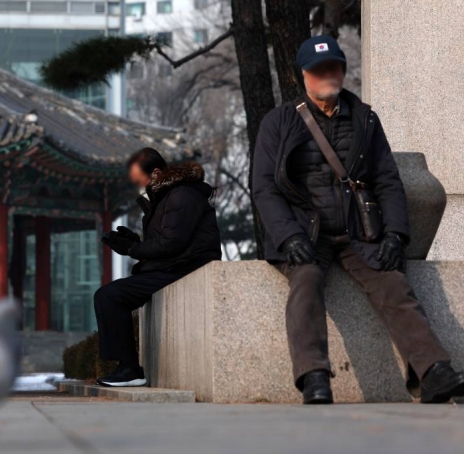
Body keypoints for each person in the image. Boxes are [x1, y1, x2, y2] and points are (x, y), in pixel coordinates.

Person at [252, 35, 464, 404]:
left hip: (358, 232)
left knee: (394, 285)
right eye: (319, 70)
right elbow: (264, 187)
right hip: (305, 232)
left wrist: (396, 235)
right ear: (303, 74)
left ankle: (433, 372)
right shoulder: (279, 121)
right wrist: (288, 237)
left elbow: (387, 180)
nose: (327, 75)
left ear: (343, 71)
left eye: (333, 67)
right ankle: (314, 376)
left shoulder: (365, 117)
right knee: (305, 284)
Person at [95, 148, 221, 387]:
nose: (137, 185)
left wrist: (132, 249)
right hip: (173, 267)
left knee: (110, 296)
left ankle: (130, 369)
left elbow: (172, 243)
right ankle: (127, 367)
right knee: (109, 295)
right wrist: (135, 243)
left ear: (154, 173)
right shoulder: (164, 199)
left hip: (186, 270)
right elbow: (165, 243)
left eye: (138, 180)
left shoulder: (181, 194)